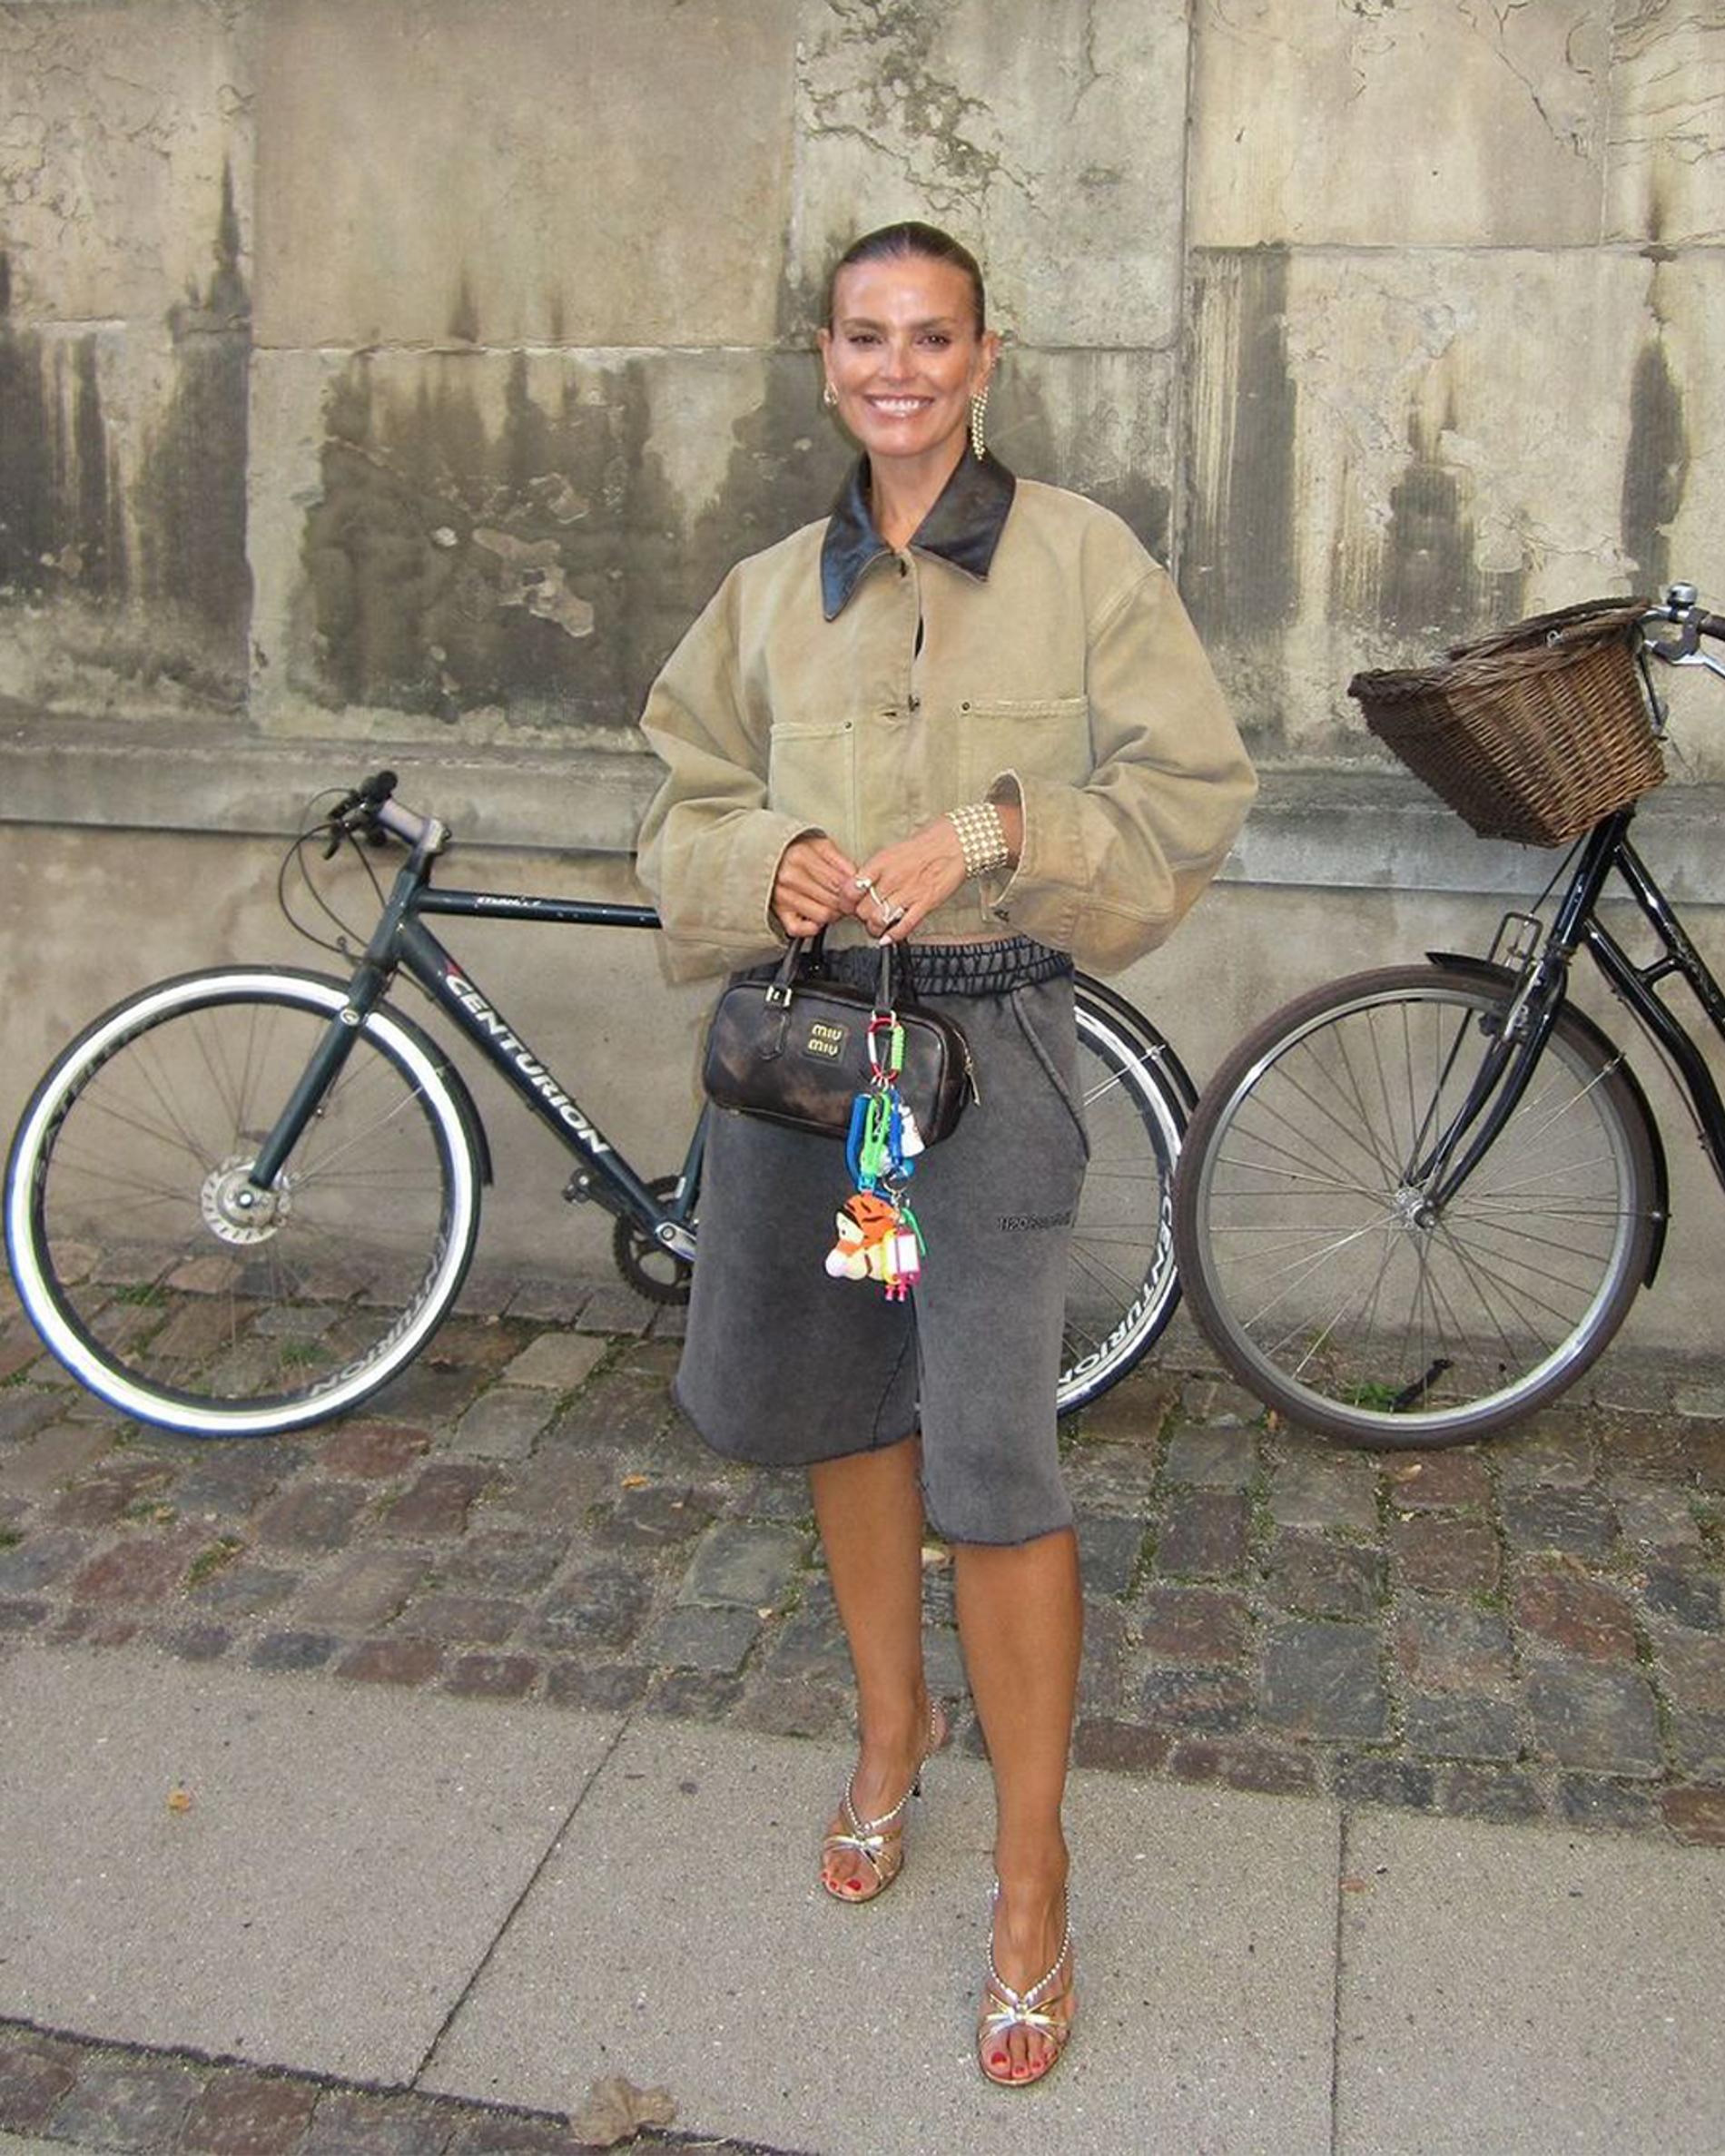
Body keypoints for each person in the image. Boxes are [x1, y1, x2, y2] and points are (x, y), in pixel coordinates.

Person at [636, 221, 1255, 2088]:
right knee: (845, 1410)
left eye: (931, 337)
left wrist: (998, 828)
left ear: (988, 357)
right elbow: (678, 800)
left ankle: (1032, 1871)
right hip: (812, 1066)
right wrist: (763, 862)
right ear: (824, 358)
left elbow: (1190, 793)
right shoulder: (767, 592)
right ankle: (889, 1736)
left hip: (991, 1058)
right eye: (864, 337)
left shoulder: (1083, 561)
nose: (895, 369)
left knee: (991, 1452)